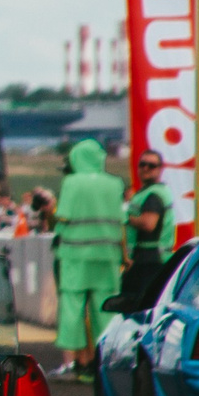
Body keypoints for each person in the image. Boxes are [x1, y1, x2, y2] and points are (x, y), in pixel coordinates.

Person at [54, 138, 128, 380]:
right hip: (107, 257)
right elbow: (120, 221)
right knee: (104, 310)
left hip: (75, 256)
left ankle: (71, 364)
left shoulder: (72, 183)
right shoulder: (114, 183)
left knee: (72, 310)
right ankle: (104, 362)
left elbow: (63, 216)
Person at [121, 149, 176, 308]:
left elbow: (148, 224)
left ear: (160, 169)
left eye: (151, 165)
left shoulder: (153, 195)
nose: (145, 168)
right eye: (142, 164)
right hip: (150, 259)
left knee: (139, 307)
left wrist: (125, 217)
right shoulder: (150, 192)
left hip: (148, 261)